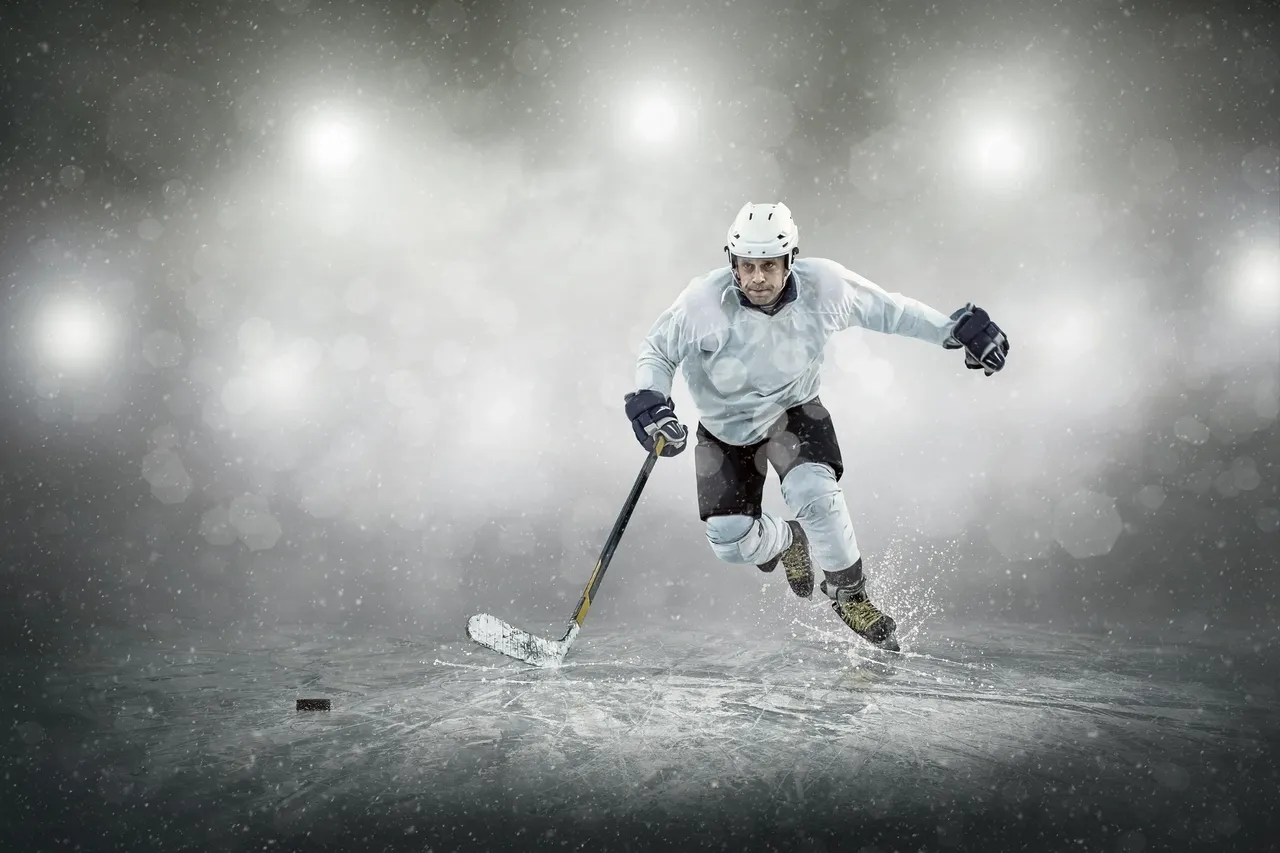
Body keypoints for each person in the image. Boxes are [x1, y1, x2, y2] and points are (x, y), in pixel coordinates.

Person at [623, 202, 1009, 651]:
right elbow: (657, 351)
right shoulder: (702, 304)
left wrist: (952, 331)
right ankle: (789, 540)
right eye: (747, 266)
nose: (757, 279)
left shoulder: (825, 287)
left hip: (794, 413)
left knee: (815, 493)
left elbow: (893, 312)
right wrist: (652, 400)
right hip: (724, 431)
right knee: (729, 541)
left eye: (769, 265)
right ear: (732, 262)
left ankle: (849, 594)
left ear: (791, 261)